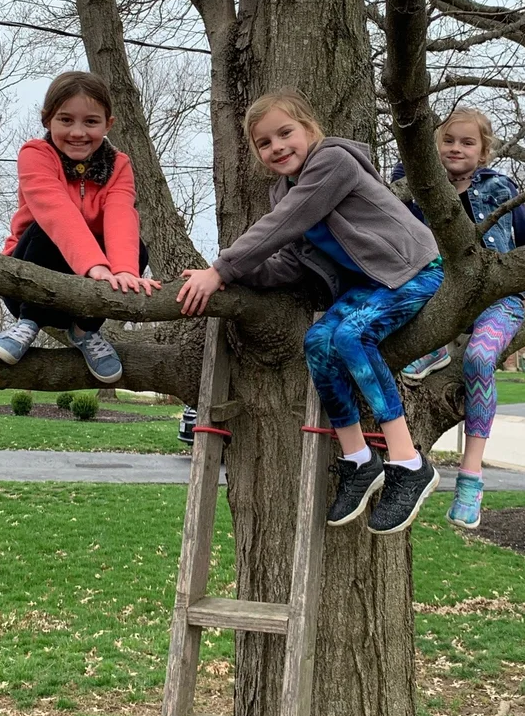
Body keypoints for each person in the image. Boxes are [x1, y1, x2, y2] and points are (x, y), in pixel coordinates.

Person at [177, 90, 444, 535]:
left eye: (286, 133)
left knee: (349, 337)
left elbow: (284, 224)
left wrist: (220, 268)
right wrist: (233, 277)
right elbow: (291, 260)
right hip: (368, 287)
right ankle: (360, 460)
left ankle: (408, 462)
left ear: (310, 129)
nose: (278, 146)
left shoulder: (333, 162)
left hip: (411, 269)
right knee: (318, 342)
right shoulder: (285, 191)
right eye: (265, 143)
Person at [391, 106, 525, 529]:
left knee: (479, 360)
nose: (456, 148)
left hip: (497, 299)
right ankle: (431, 349)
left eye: (467, 142)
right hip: (436, 293)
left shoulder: (501, 188)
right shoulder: (412, 187)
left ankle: (470, 477)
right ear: (432, 148)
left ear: (483, 151)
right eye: (447, 140)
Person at [0, 71, 159, 382]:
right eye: (65, 120)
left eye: (90, 122)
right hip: (26, 280)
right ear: (47, 121)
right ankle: (28, 323)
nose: (78, 132)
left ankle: (85, 330)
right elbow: (57, 212)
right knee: (46, 231)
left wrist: (124, 270)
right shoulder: (36, 155)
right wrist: (94, 265)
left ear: (108, 124)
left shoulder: (118, 165)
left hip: (86, 294)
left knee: (136, 248)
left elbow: (121, 213)